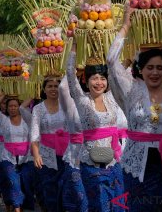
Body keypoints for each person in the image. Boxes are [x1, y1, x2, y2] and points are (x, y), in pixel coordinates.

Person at [107, 3, 162, 211]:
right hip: (136, 167)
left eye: (160, 68)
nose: (154, 72)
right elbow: (110, 60)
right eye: (149, 68)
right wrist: (126, 25)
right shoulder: (131, 91)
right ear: (141, 70)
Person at [67, 47, 127, 212]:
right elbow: (70, 76)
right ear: (86, 81)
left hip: (114, 161)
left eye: (102, 78)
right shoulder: (82, 101)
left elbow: (122, 71)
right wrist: (74, 47)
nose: (99, 82)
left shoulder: (112, 98)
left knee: (120, 205)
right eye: (94, 78)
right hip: (92, 164)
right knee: (100, 206)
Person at [0, 94, 35, 212]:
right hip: (7, 157)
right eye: (10, 106)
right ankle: (16, 206)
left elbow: (26, 106)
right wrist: (1, 93)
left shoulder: (27, 120)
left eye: (15, 106)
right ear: (7, 108)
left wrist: (33, 92)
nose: (13, 108)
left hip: (25, 157)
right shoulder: (4, 120)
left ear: (19, 107)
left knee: (25, 183)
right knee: (12, 181)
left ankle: (19, 204)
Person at [30, 76, 67, 212]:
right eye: (49, 86)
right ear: (44, 89)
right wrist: (36, 154)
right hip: (46, 154)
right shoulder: (38, 109)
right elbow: (34, 133)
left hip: (66, 153)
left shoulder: (67, 104)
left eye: (56, 86)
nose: (53, 89)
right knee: (49, 188)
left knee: (66, 187)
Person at [58, 76, 88, 212]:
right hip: (76, 156)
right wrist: (73, 69)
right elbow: (63, 88)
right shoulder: (72, 105)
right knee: (79, 197)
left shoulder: (106, 101)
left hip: (101, 156)